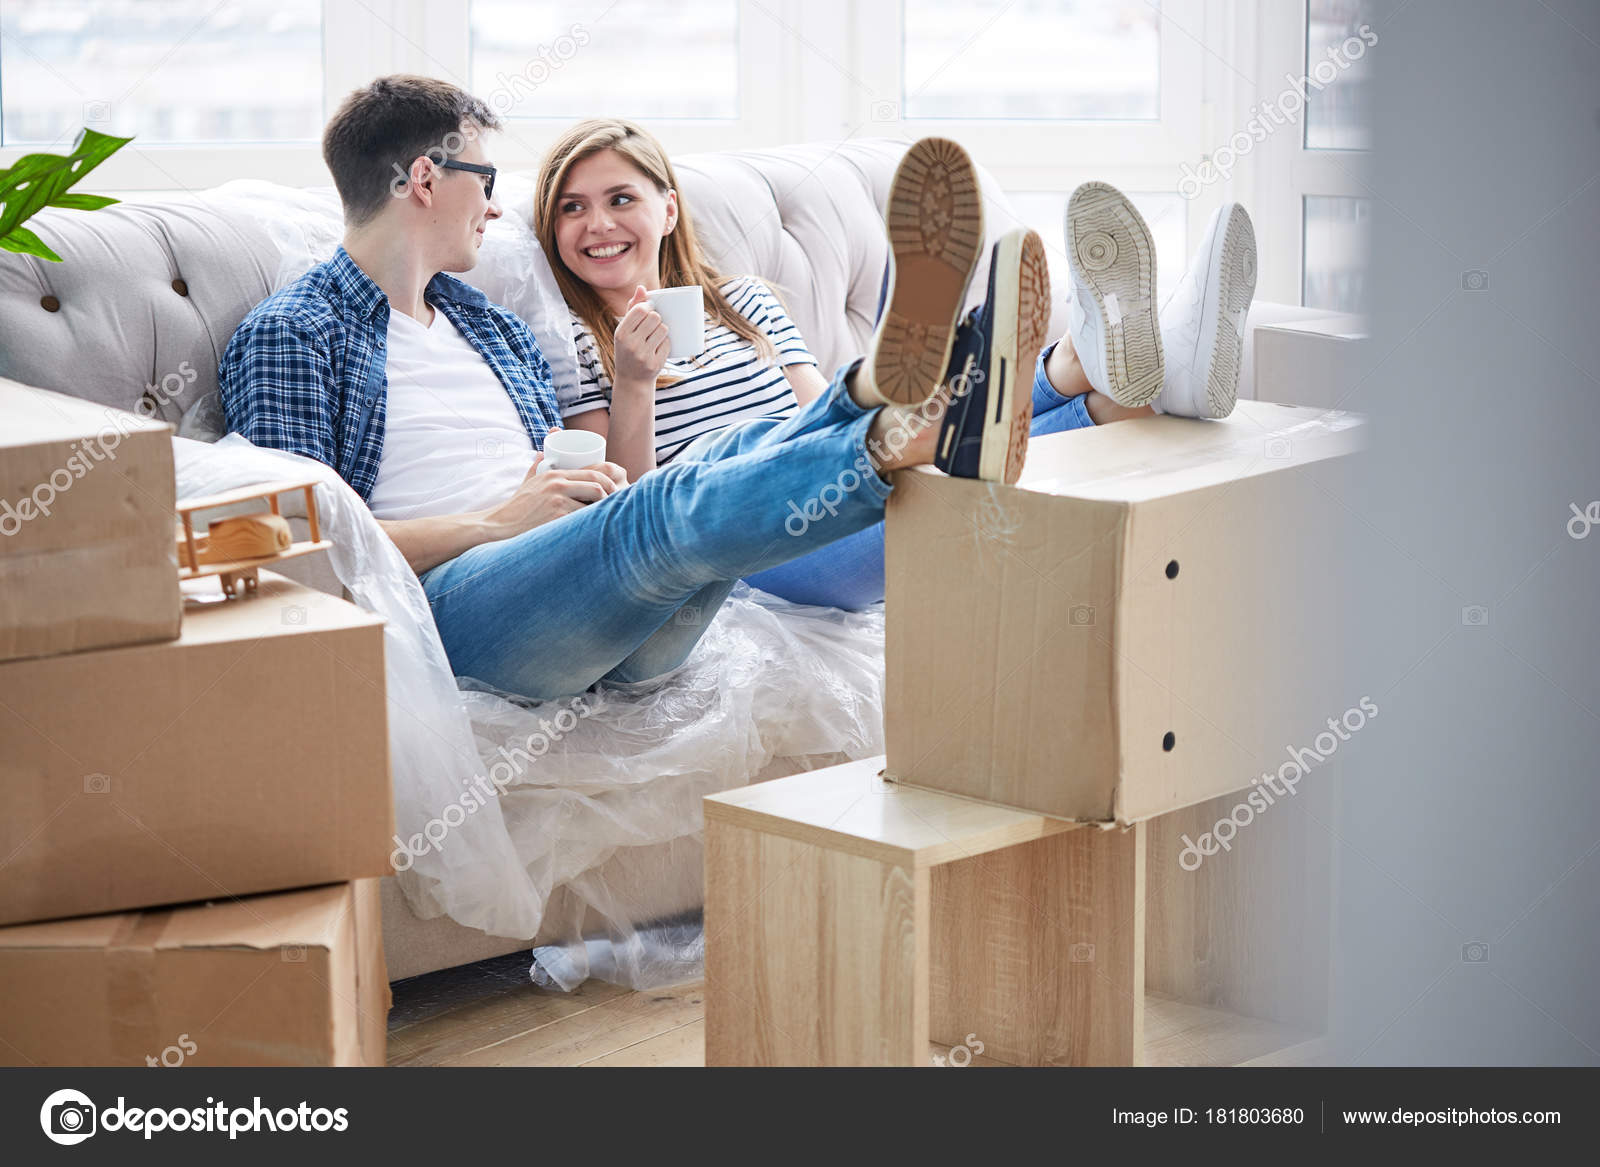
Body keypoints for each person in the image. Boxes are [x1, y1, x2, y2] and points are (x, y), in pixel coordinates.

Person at [217, 76, 1031, 702]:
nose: (496, 209)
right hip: (462, 609)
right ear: (426, 180)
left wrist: (569, 497)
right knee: (671, 496)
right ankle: (904, 427)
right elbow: (293, 553)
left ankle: (878, 393)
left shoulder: (493, 329)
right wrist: (497, 520)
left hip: (608, 607)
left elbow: (580, 474)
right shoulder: (295, 333)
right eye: (485, 179)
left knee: (727, 457)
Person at [531, 118, 1258, 610]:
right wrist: (633, 380)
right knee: (922, 453)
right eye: (571, 208)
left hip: (834, 463)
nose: (596, 224)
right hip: (743, 539)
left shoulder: (746, 301)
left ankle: (1128, 373)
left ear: (667, 209)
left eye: (620, 198)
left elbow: (817, 411)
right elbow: (631, 514)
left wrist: (853, 428)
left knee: (1096, 418)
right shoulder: (570, 340)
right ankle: (1070, 362)